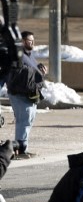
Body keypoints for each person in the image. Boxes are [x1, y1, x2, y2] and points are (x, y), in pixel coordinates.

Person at [7, 31, 46, 159]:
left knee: (28, 121)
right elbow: (19, 73)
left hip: (29, 95)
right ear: (23, 41)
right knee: (23, 122)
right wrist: (36, 73)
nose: (33, 43)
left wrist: (39, 68)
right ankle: (19, 151)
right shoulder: (17, 56)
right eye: (30, 40)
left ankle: (23, 148)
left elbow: (32, 70)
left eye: (33, 40)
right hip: (19, 94)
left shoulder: (29, 55)